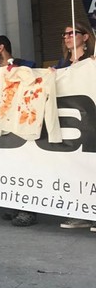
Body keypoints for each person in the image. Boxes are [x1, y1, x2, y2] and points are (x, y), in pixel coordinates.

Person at [0, 35, 38, 227]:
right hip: (4, 123)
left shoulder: (24, 65)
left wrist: (15, 69)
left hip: (22, 122)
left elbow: (34, 76)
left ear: (1, 48)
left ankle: (28, 210)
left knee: (25, 167)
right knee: (9, 167)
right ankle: (15, 204)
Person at [56, 21, 95, 230]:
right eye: (65, 34)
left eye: (72, 33)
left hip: (91, 120)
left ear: (85, 36)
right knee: (75, 168)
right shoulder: (61, 64)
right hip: (71, 123)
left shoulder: (92, 61)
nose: (67, 37)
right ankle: (82, 212)